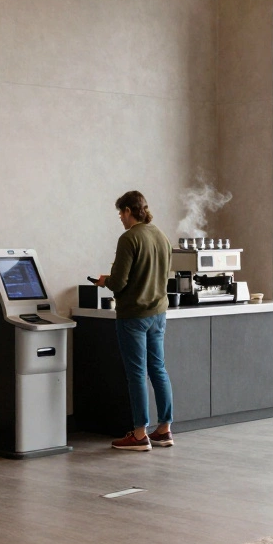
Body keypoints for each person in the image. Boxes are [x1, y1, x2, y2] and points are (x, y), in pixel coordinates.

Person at [95, 191, 174, 452]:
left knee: (137, 374)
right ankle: (164, 429)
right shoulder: (161, 235)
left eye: (121, 212)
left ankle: (139, 434)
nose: (120, 217)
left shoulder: (129, 238)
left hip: (133, 316)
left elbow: (119, 282)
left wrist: (105, 281)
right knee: (158, 369)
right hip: (158, 313)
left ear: (129, 210)